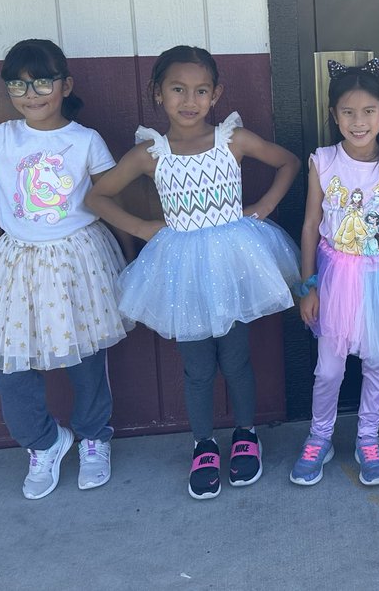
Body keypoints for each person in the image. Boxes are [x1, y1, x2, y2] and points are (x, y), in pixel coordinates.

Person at [86, 45, 299, 497]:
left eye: (201, 90)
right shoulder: (150, 153)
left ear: (216, 94)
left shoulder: (233, 140)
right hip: (180, 268)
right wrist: (142, 226)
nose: (190, 100)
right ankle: (203, 443)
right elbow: (97, 197)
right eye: (178, 89)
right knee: (198, 367)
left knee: (237, 357)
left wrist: (263, 205)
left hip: (233, 260)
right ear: (157, 93)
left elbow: (288, 162)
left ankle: (245, 435)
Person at [0, 41, 129, 498]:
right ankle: (45, 442)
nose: (30, 93)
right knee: (10, 368)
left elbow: (111, 197)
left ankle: (95, 437)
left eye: (42, 82)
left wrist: (134, 258)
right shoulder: (3, 137)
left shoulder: (85, 139)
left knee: (86, 356)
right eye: (17, 84)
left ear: (65, 84)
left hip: (79, 259)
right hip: (20, 262)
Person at [289, 59, 379, 487]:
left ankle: (368, 437)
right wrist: (308, 285)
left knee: (376, 363)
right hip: (333, 277)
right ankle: (320, 436)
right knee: (329, 369)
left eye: (368, 111)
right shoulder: (323, 162)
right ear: (334, 115)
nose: (358, 121)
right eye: (348, 112)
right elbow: (311, 225)